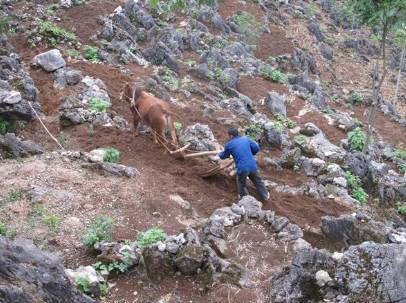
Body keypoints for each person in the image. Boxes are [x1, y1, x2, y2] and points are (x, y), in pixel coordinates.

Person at [218, 127, 269, 202]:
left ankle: (245, 199)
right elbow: (256, 148)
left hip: (242, 168)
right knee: (258, 180)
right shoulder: (246, 139)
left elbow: (223, 156)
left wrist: (219, 154)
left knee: (241, 182)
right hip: (253, 165)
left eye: (229, 136)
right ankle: (265, 195)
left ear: (231, 136)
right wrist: (250, 153)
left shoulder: (229, 145)